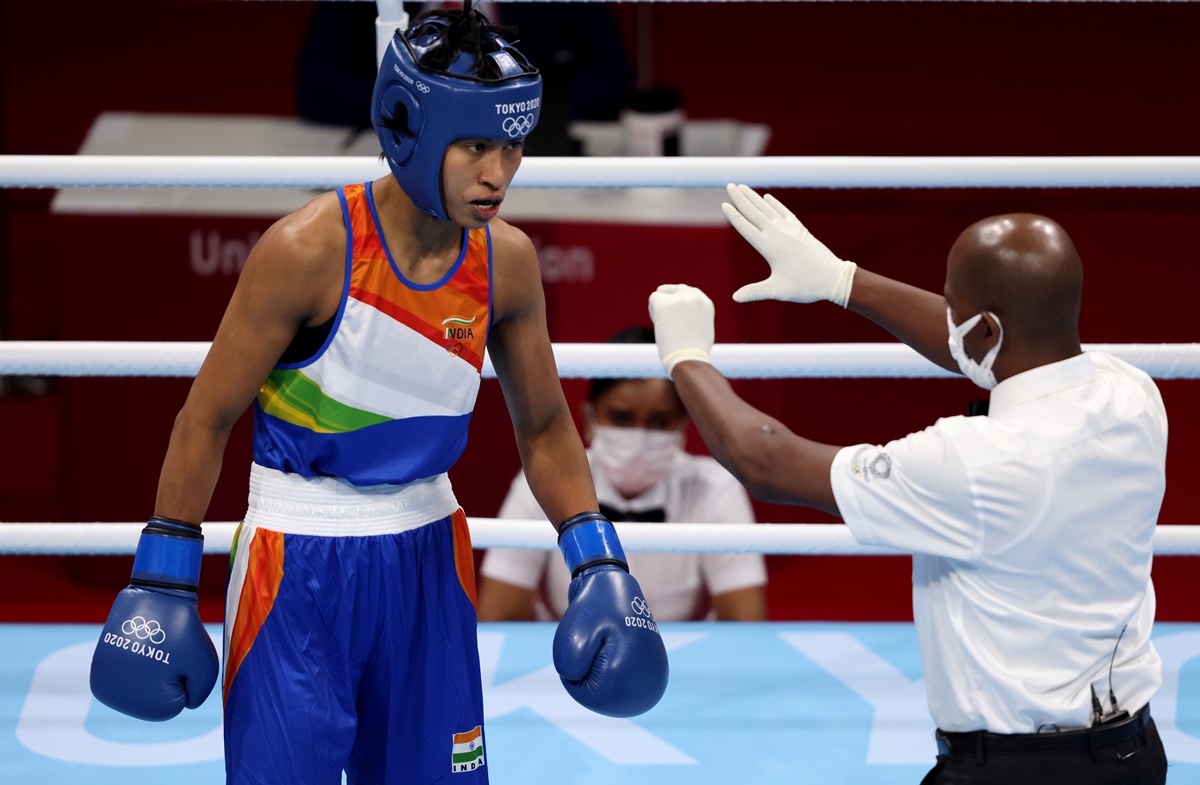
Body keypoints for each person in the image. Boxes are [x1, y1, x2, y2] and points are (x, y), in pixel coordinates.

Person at [87, 6, 668, 784]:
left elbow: (548, 426)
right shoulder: (308, 250)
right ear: (411, 130)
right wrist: (162, 576)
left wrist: (597, 559)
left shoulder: (509, 262)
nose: (499, 173)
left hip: (429, 553)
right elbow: (206, 415)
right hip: (298, 562)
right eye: (476, 147)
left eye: (513, 145)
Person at [647, 184, 1168, 785]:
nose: (945, 317)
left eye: (953, 307)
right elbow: (985, 346)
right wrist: (842, 280)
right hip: (1131, 754)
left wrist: (686, 357)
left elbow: (767, 462)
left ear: (988, 330)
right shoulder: (1132, 394)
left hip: (1014, 770)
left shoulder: (971, 462)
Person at [478, 325, 767, 623]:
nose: (639, 438)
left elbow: (746, 622)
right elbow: (498, 614)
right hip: (568, 659)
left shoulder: (715, 487)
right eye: (621, 417)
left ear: (682, 425)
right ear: (589, 417)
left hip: (687, 659)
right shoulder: (542, 481)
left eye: (659, 421)